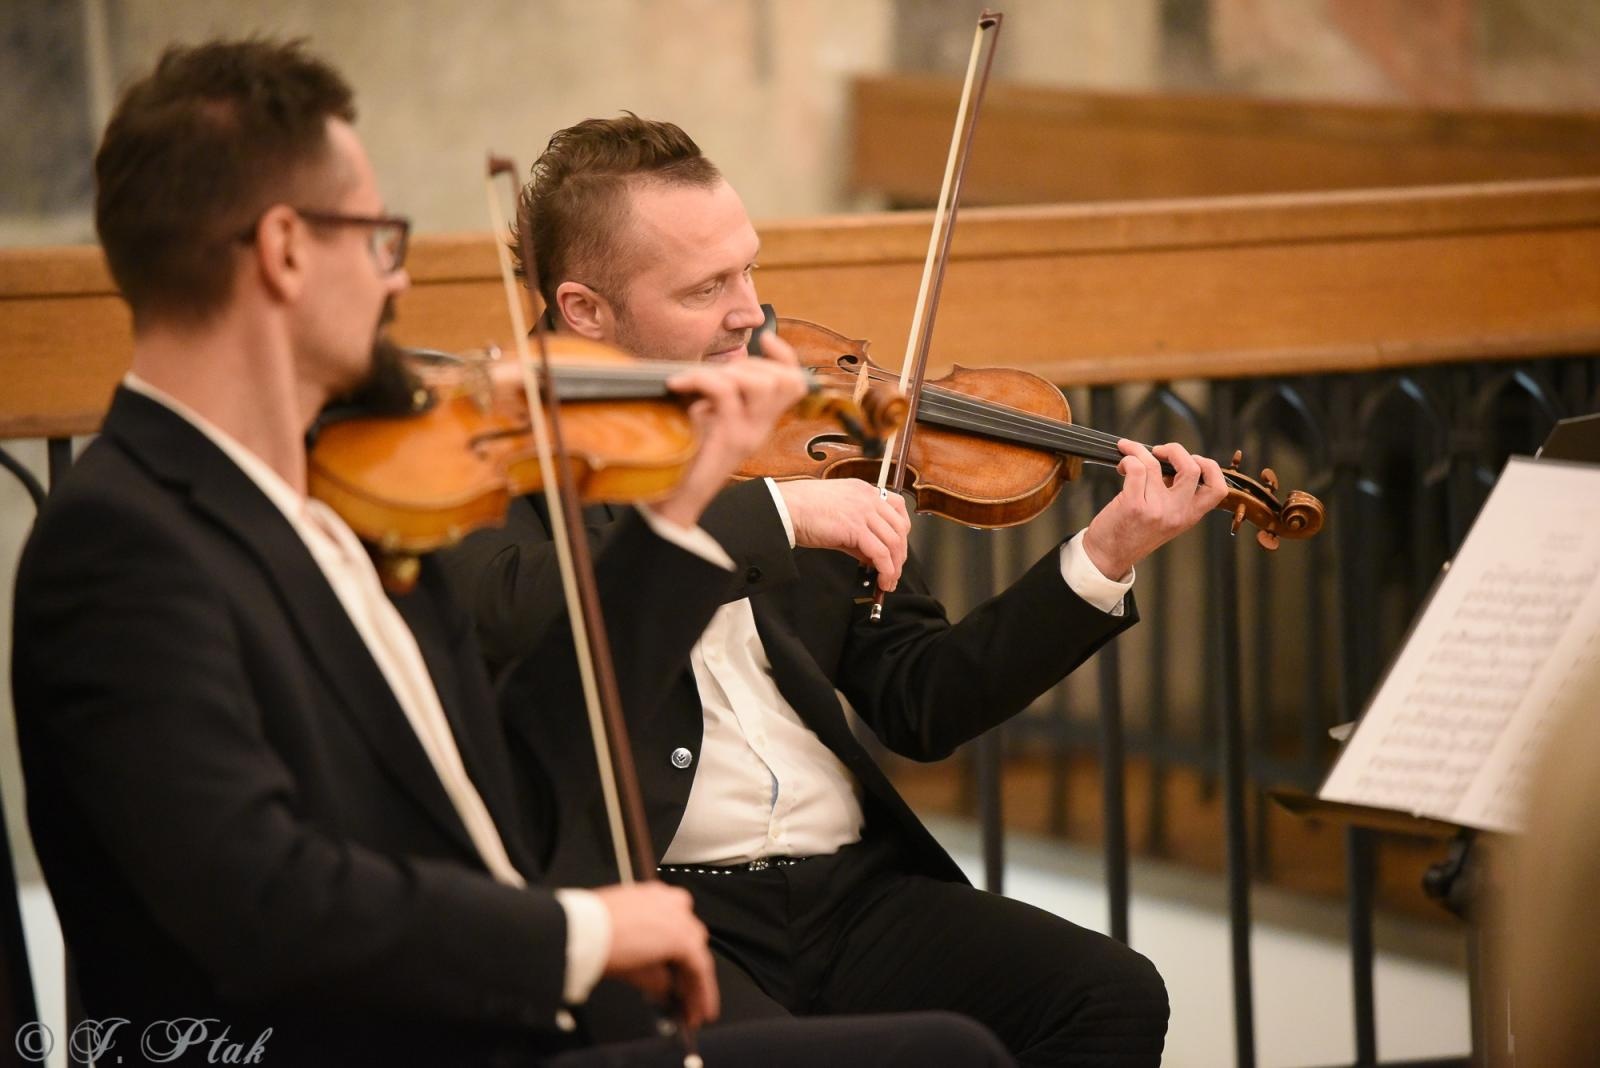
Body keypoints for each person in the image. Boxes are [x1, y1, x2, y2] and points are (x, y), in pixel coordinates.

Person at [9, 40, 1015, 1068]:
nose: (395, 283)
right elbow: (261, 901)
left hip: (513, 1004)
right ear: (283, 250)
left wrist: (677, 523)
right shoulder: (123, 544)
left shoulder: (353, 488)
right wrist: (582, 935)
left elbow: (523, 775)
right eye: (378, 239)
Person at [444, 114, 1230, 1067]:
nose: (751, 313)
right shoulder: (482, 452)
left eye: (748, 271)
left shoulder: (791, 417)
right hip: (655, 904)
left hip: (850, 895)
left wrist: (1104, 555)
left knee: (1106, 995)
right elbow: (518, 605)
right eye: (706, 288)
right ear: (585, 309)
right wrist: (768, 516)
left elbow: (921, 699)